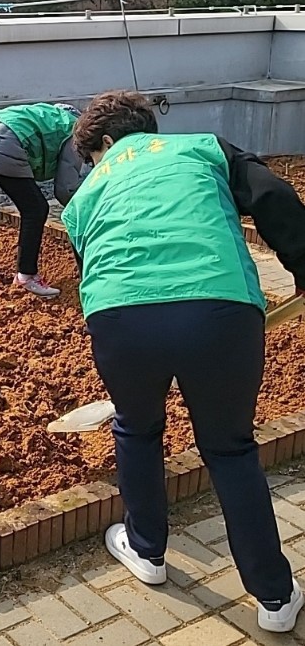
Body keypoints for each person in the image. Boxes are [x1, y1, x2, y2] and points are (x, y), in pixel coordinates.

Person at [62, 89, 305, 632]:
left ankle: (147, 552)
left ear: (105, 143)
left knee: (137, 428)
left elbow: (91, 265)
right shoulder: (202, 148)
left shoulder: (83, 196)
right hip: (218, 309)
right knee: (229, 448)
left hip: (119, 319)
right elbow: (272, 194)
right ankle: (273, 598)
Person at [0, 102, 89, 296]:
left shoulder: (48, 115)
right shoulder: (75, 130)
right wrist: (84, 212)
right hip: (1, 141)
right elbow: (64, 189)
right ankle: (27, 276)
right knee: (36, 209)